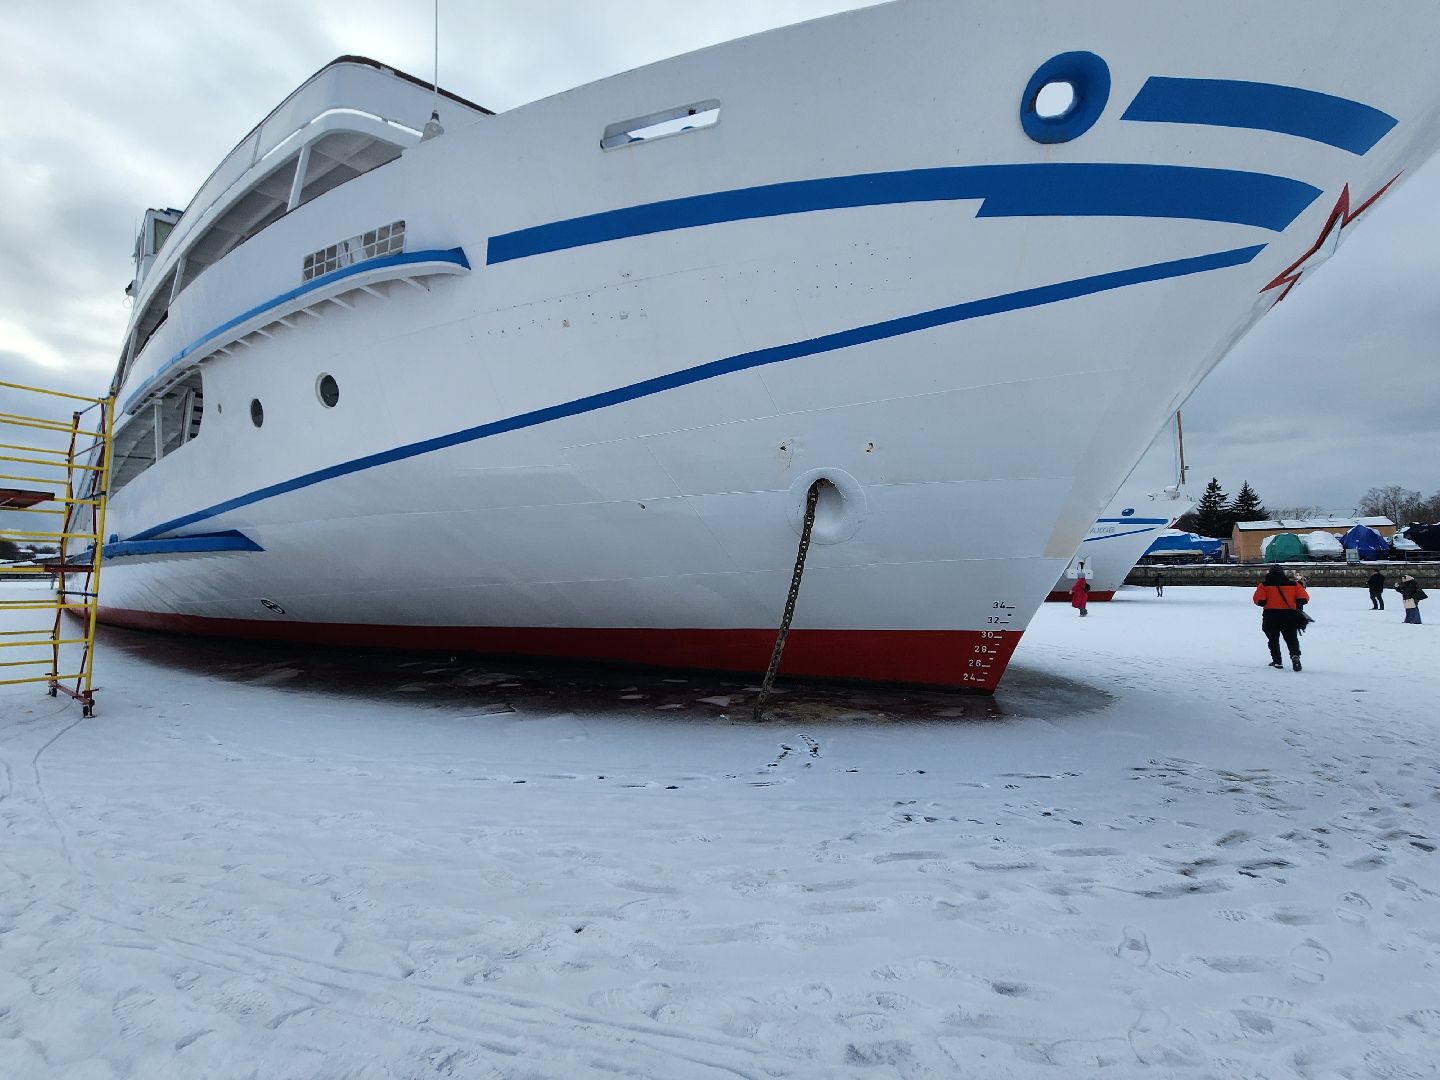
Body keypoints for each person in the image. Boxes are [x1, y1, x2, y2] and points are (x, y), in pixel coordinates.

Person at [1253, 566, 1309, 671]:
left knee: (1273, 639)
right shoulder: (1293, 584)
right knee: (1291, 638)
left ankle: (1277, 661)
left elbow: (1259, 601)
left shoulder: (1264, 585)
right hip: (1289, 615)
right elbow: (1304, 599)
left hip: (1271, 615)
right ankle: (1295, 655)